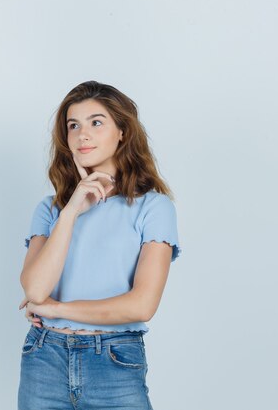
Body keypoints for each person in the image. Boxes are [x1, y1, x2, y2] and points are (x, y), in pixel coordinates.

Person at [17, 81, 182, 410]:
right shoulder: (51, 209)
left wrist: (57, 310)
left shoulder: (153, 207)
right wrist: (72, 209)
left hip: (115, 359)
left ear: (122, 131)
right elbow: (36, 289)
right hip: (44, 357)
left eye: (96, 122)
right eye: (73, 125)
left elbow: (141, 306)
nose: (82, 135)